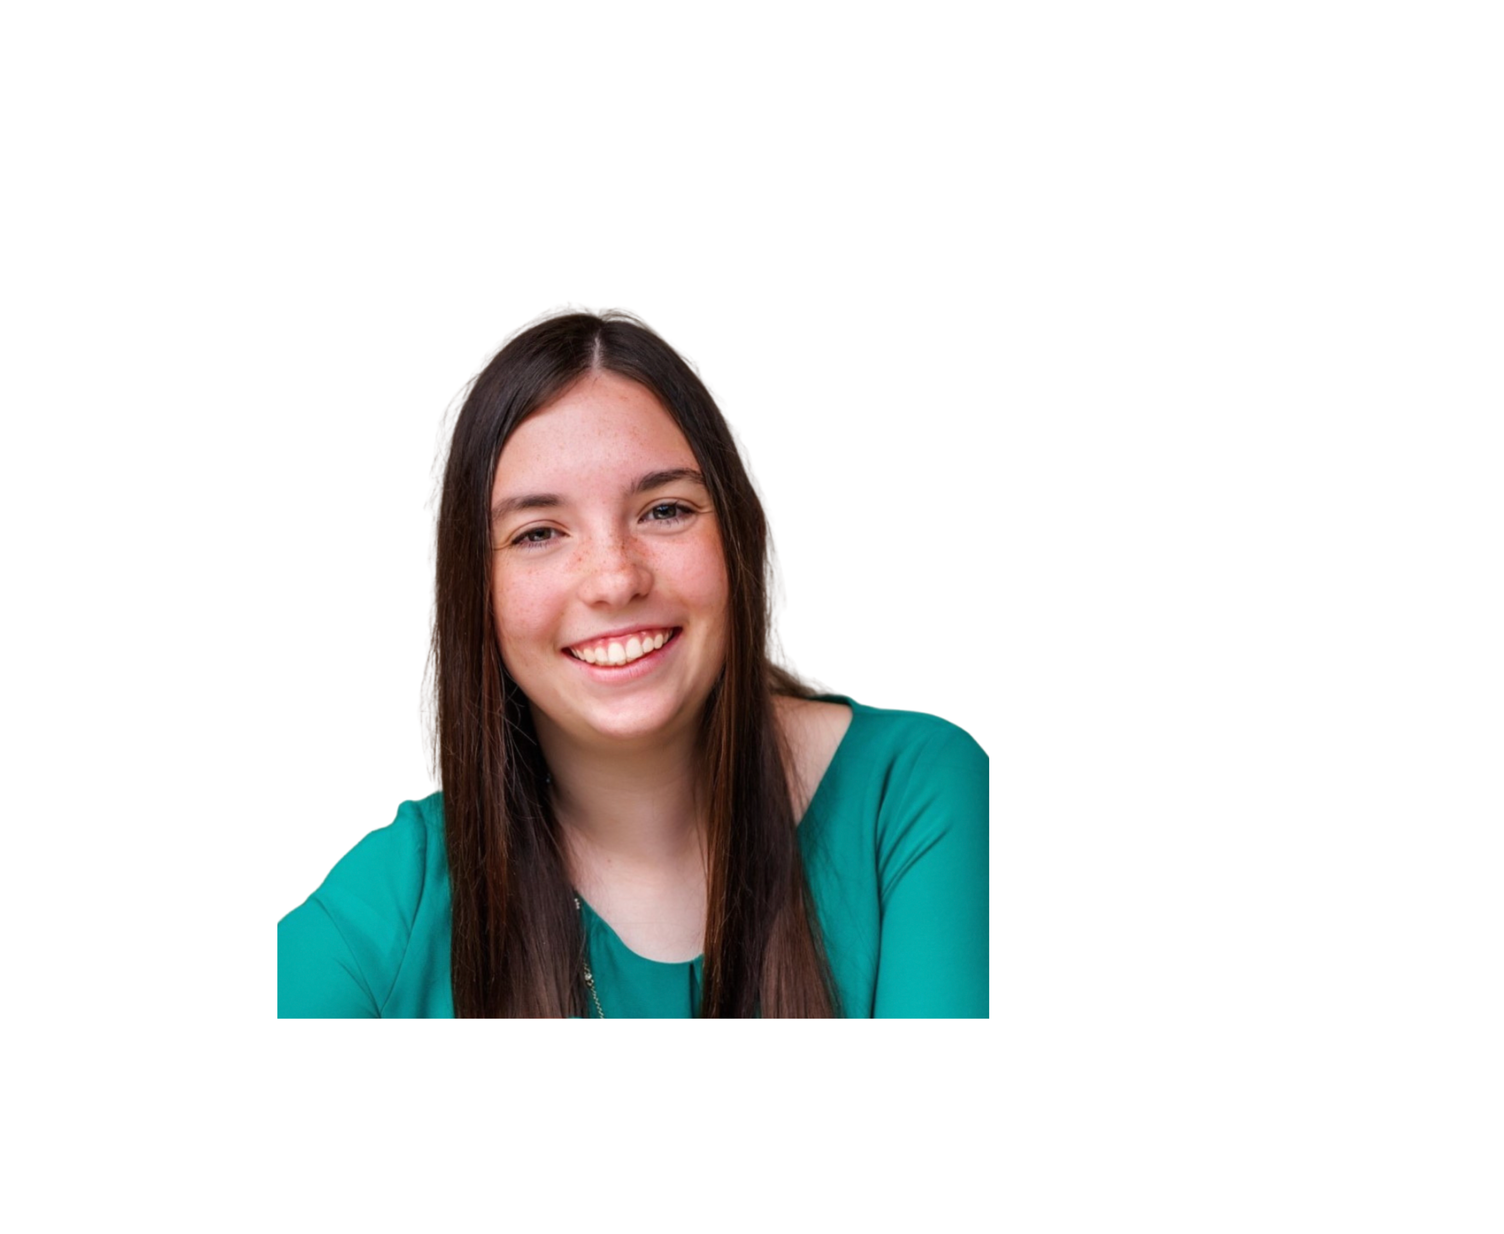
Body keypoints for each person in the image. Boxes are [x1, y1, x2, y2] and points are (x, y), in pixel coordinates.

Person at [276, 311, 989, 1017]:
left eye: (665, 511)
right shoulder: (399, 898)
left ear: (737, 535)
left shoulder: (916, 794)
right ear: (476, 595)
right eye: (538, 533)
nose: (614, 579)